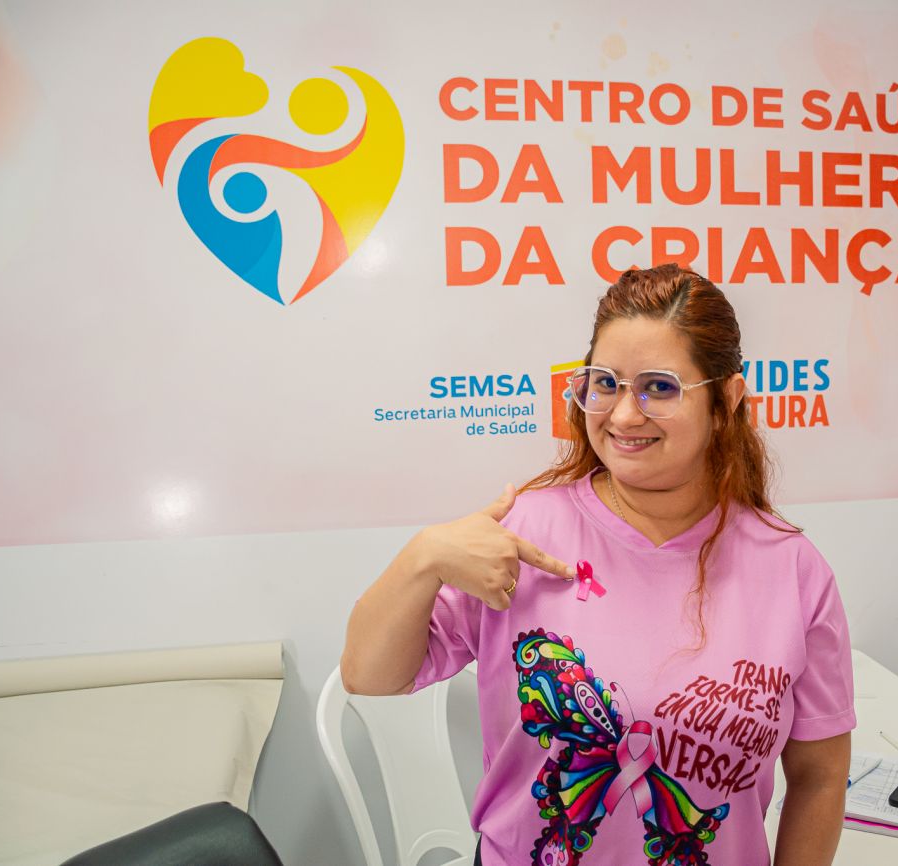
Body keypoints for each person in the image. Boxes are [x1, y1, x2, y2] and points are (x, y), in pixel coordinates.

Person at [342, 264, 855, 866]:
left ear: (726, 401)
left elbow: (820, 777)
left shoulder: (793, 570)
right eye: (605, 383)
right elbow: (367, 674)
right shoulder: (526, 534)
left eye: (660, 387)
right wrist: (424, 557)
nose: (624, 415)